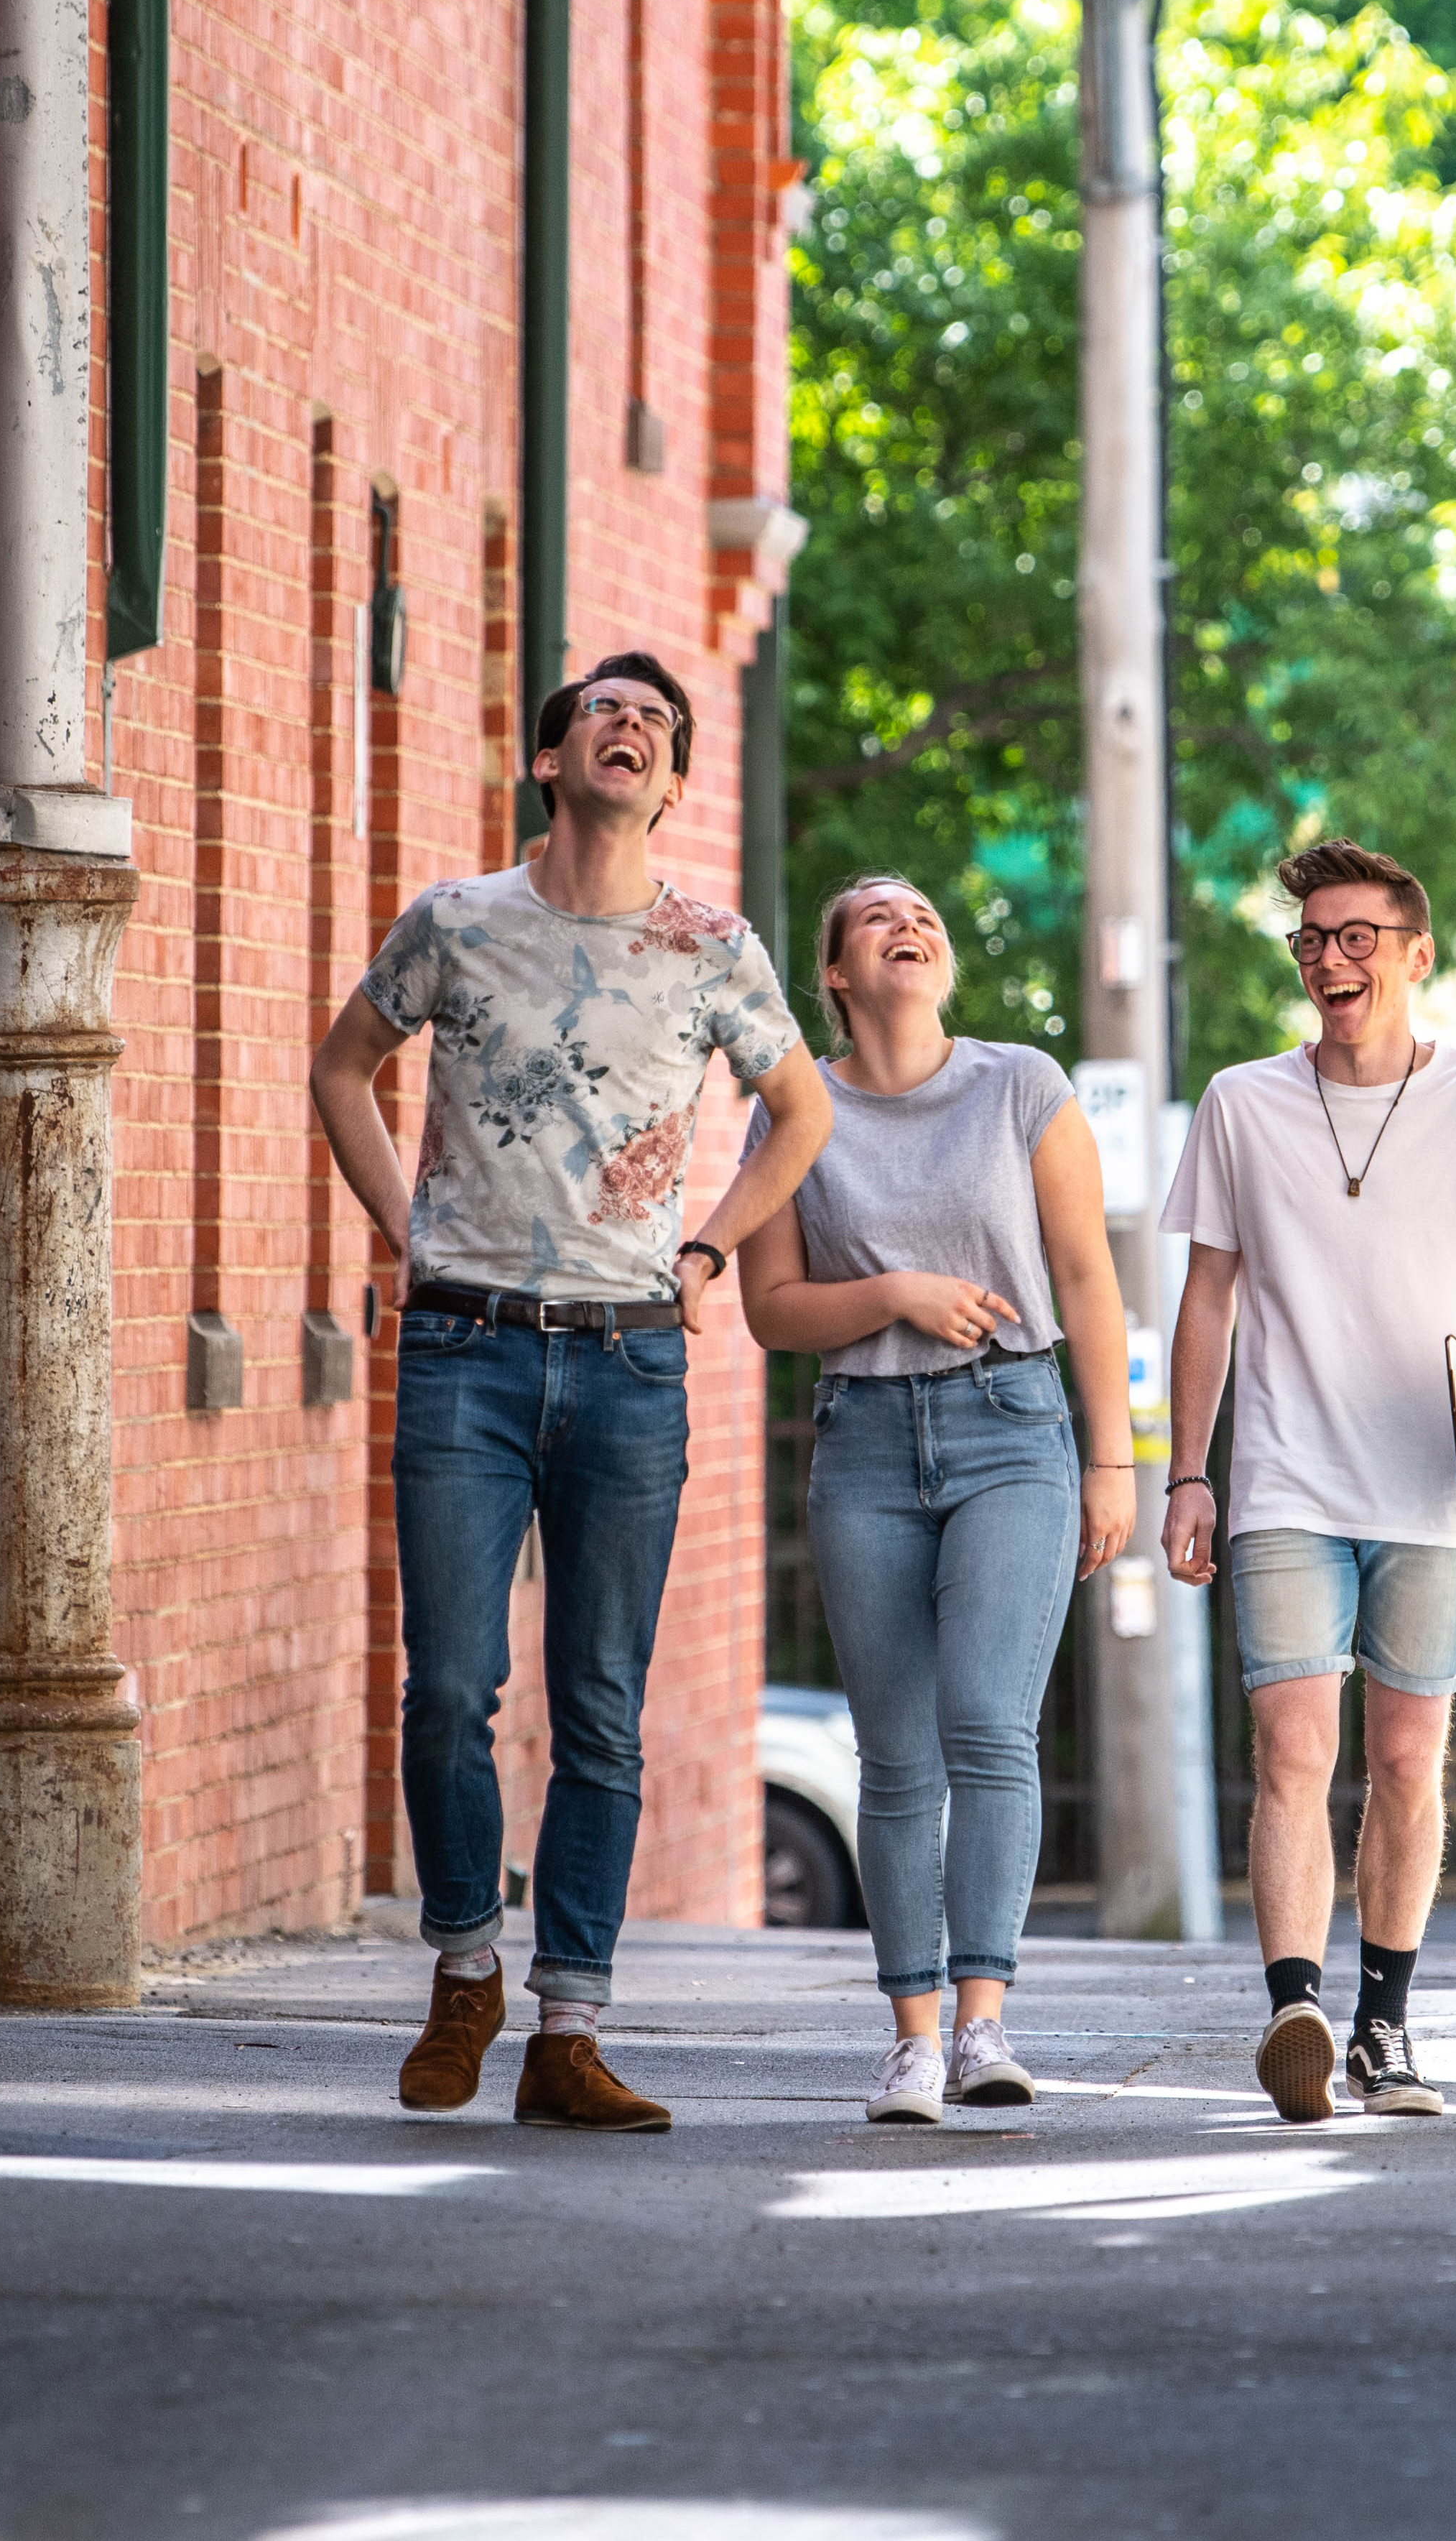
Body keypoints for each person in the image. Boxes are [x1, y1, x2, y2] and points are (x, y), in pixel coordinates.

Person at [307, 649, 830, 2135]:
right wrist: (400, 1237)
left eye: (655, 726)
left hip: (626, 1358)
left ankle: (568, 2031)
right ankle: (466, 1962)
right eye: (603, 711)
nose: (629, 728)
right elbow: (341, 1068)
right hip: (465, 1347)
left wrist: (713, 1248)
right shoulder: (458, 924)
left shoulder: (711, 946)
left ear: (671, 786)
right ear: (550, 762)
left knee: (599, 1710)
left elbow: (798, 1110)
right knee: (450, 1689)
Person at [1159, 839, 1456, 2125]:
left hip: (1430, 1483)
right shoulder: (1241, 1101)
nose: (1331, 958)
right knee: (1295, 1744)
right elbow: (1207, 1302)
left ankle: (1385, 2024)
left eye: (1356, 938)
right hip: (1283, 1474)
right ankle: (1297, 2009)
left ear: (1414, 953)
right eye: (1313, 941)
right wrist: (1188, 1474)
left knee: (1406, 1754)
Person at [734, 875, 1137, 2124]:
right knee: (896, 1754)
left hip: (1013, 1428)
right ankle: (910, 2042)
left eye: (924, 916)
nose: (907, 924)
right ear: (838, 975)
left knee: (987, 1722)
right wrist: (898, 1291)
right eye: (871, 916)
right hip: (861, 1441)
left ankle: (983, 2027)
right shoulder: (796, 1108)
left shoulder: (1021, 1083)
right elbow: (770, 1308)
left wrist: (1114, 1459)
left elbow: (1087, 1277)